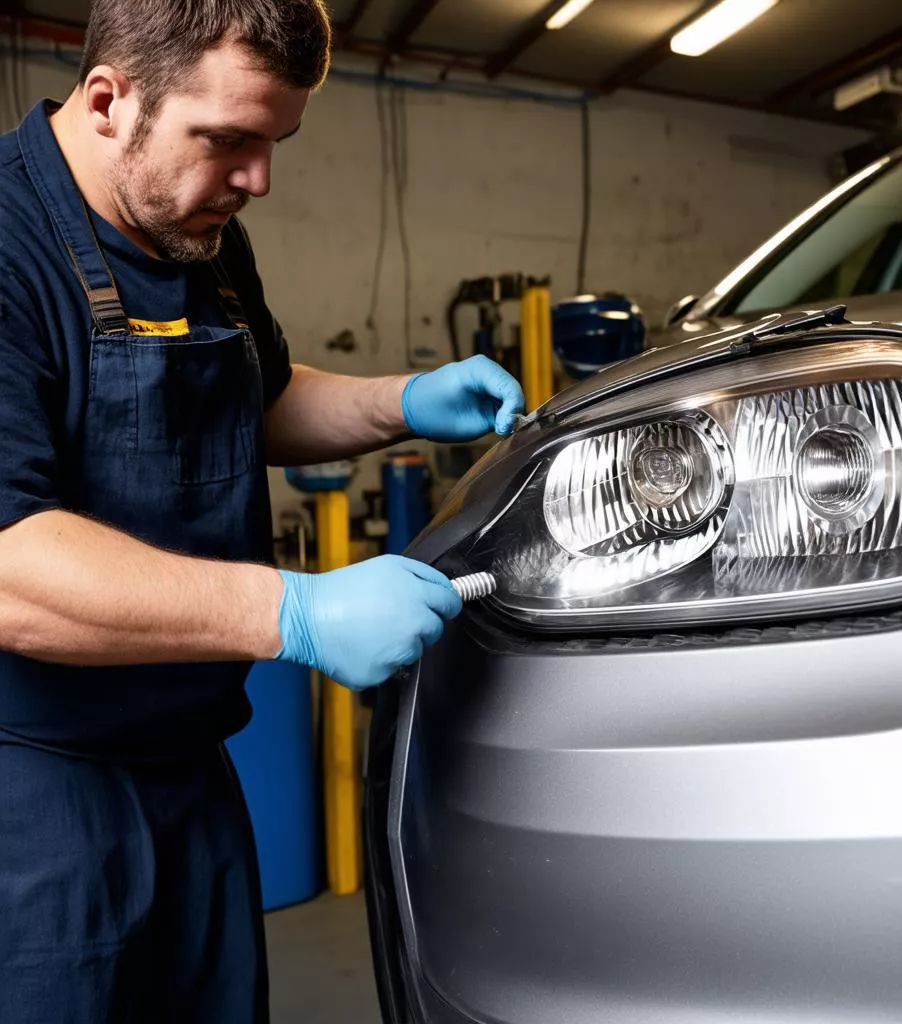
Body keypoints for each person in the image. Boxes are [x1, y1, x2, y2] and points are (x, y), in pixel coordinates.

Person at [0, 1, 525, 1020]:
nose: (257, 180)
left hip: (193, 772)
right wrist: (296, 613)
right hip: (36, 800)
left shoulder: (192, 222)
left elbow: (255, 394)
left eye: (273, 143)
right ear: (109, 99)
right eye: (229, 140)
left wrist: (402, 398)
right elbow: (9, 564)